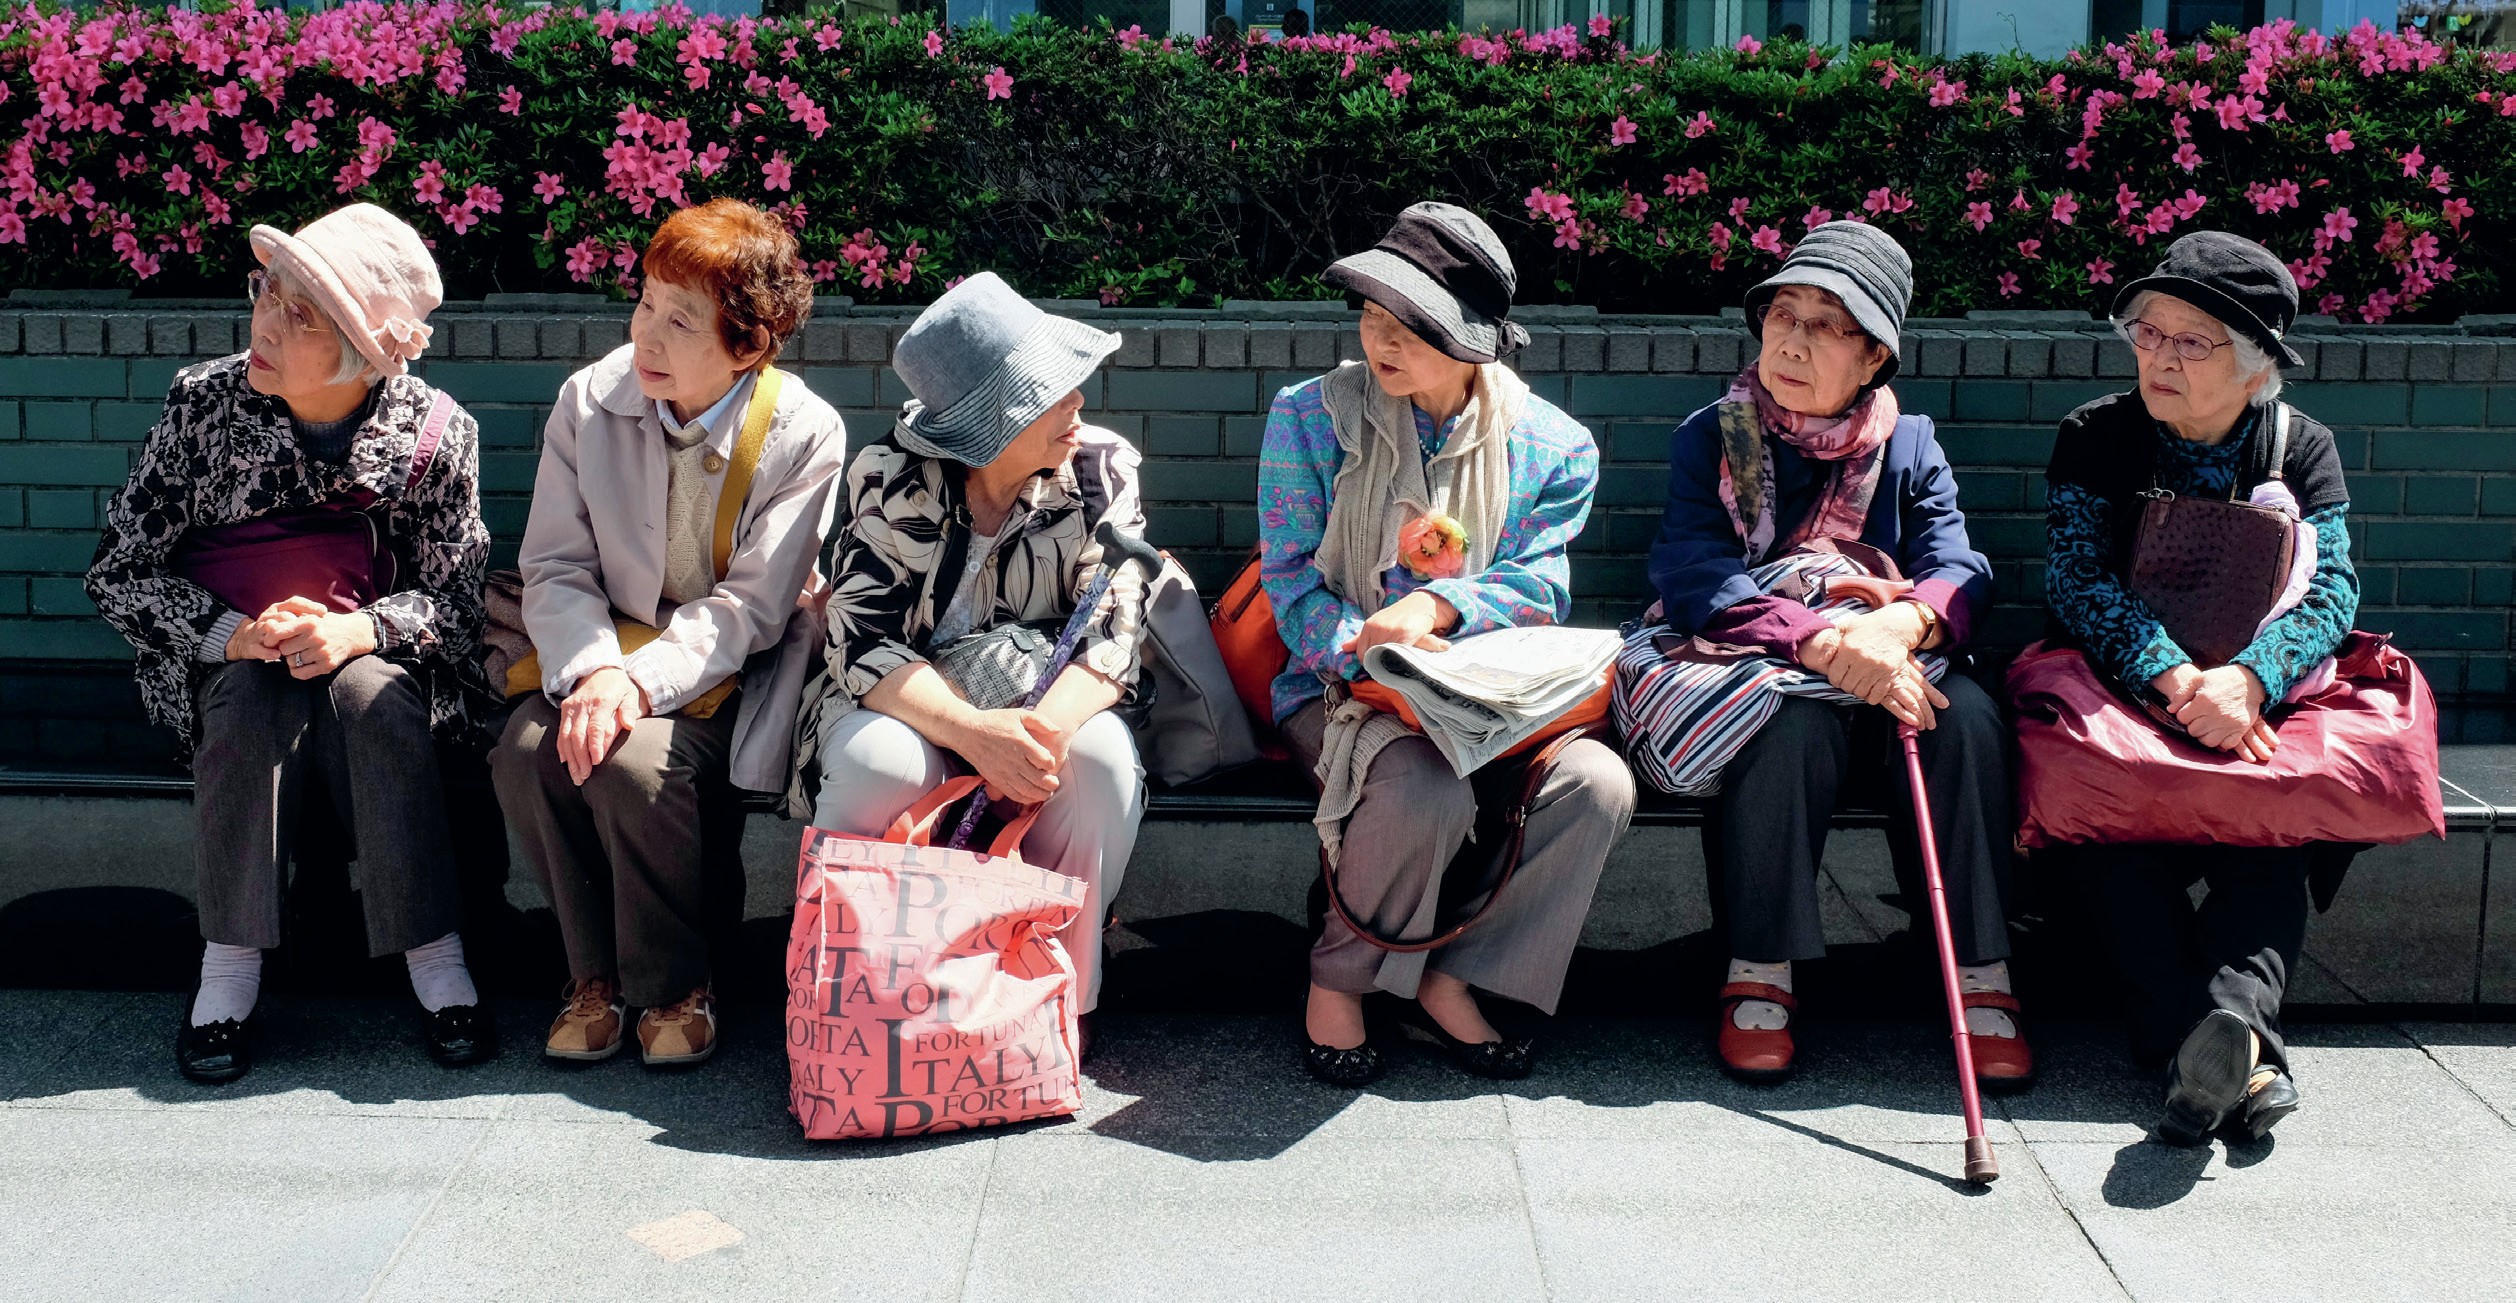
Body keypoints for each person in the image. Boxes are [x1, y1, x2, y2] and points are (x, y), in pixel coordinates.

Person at [85, 203, 493, 1083]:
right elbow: (116, 571)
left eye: (300, 313)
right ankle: (228, 969)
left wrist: (358, 630)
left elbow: (459, 599)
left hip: (375, 657)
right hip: (222, 661)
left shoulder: (433, 433)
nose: (263, 321)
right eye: (268, 291)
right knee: (251, 696)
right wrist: (231, 636)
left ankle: (435, 956)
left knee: (371, 696)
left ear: (360, 349)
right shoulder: (203, 405)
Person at [1642, 222, 2031, 1086]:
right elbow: (1693, 570)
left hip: (1894, 665)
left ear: (1875, 356)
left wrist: (1900, 628)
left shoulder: (1910, 443)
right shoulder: (1715, 435)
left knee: (1965, 719)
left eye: (1827, 323)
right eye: (1784, 314)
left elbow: (1958, 565)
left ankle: (1981, 972)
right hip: (1768, 667)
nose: (1794, 340)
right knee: (1787, 725)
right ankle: (1761, 966)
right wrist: (1814, 639)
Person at [1259, 202, 1634, 1087]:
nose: (1380, 342)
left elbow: (1540, 586)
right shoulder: (1311, 417)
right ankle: (1340, 976)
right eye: (1372, 318)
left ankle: (1453, 971)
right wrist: (1375, 660)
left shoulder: (1554, 445)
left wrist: (1440, 614)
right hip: (1338, 684)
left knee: (1596, 785)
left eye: (1410, 328)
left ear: (1474, 342)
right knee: (1421, 782)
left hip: (1491, 698)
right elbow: (1290, 582)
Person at [493, 198, 846, 1069]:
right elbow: (558, 566)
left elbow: (755, 607)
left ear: (749, 344)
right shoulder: (590, 399)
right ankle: (592, 978)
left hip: (735, 668)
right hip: (601, 648)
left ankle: (676, 982)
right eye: (645, 301)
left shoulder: (806, 433)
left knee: (636, 761)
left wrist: (637, 686)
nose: (643, 335)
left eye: (678, 320)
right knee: (525, 748)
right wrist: (593, 673)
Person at [2043, 231, 2355, 1144]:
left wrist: (2250, 680)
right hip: (2122, 701)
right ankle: (2243, 1061)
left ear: (2255, 364)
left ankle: (2209, 1049)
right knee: (2109, 841)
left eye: (2192, 341)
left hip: (2250, 707)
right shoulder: (2096, 435)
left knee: (2272, 836)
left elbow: (2333, 589)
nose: (2160, 357)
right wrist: (2176, 676)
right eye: (2149, 332)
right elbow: (2075, 580)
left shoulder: (2301, 444)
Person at [798, 272, 1147, 1059]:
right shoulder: (888, 479)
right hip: (903, 704)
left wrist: (1036, 737)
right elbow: (860, 639)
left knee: (1097, 764)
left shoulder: (1099, 472)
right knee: (878, 762)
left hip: (1047, 696)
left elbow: (1118, 623)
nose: (1078, 406)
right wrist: (974, 733)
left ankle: (1060, 1000)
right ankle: (857, 998)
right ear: (999, 421)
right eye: (1055, 393)